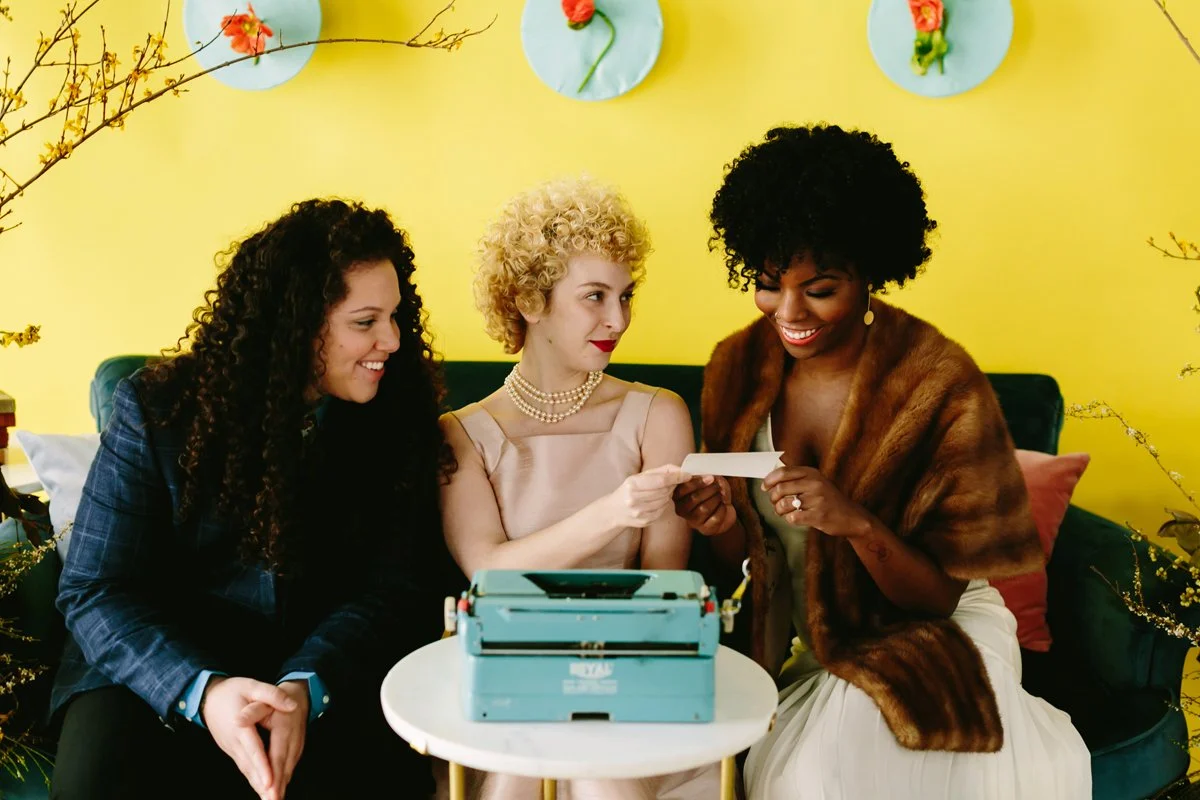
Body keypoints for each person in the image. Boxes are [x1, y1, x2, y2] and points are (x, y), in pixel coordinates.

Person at [672, 124, 1091, 800]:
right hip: (828, 647)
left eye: (821, 288)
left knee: (854, 761)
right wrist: (720, 522)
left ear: (872, 274)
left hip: (942, 632)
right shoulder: (738, 371)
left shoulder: (936, 387)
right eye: (768, 283)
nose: (788, 310)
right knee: (818, 767)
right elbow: (759, 565)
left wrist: (854, 522)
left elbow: (940, 597)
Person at [51, 199, 453, 800]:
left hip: (323, 666)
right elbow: (95, 588)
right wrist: (202, 689)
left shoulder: (398, 420)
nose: (392, 341)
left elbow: (394, 589)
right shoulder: (157, 410)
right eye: (366, 322)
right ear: (296, 322)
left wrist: (304, 687)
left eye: (395, 316)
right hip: (156, 669)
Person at [438, 176, 716, 799]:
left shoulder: (659, 413)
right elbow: (488, 574)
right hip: (512, 685)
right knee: (522, 766)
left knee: (596, 771)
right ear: (531, 301)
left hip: (636, 679)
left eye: (625, 295)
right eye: (594, 296)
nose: (617, 319)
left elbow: (666, 587)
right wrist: (615, 511)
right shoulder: (463, 434)